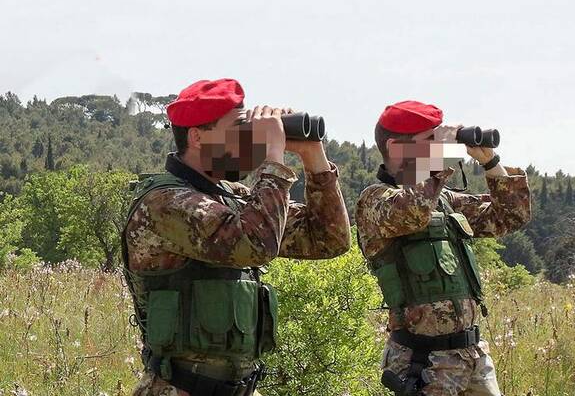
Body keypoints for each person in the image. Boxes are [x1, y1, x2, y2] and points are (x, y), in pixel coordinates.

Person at [122, 78, 351, 396]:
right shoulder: (164, 202)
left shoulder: (235, 197)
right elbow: (254, 246)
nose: (248, 141)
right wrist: (273, 158)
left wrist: (313, 155)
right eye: (239, 129)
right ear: (198, 137)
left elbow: (328, 238)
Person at [356, 100, 531, 396]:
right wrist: (436, 159)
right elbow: (412, 212)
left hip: (472, 356)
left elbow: (510, 216)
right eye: (430, 141)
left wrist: (490, 162)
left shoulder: (446, 200)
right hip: (423, 362)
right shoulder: (376, 201)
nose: (440, 149)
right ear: (397, 147)